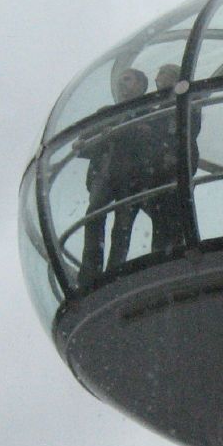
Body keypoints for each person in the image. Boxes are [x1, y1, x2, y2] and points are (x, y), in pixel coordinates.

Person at [76, 66, 149, 284]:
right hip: (105, 175)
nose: (122, 84)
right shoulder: (106, 111)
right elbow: (85, 141)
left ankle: (114, 272)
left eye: (127, 79)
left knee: (122, 226)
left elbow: (148, 138)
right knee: (94, 217)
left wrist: (115, 130)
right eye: (121, 80)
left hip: (131, 177)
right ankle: (91, 272)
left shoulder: (146, 110)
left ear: (140, 85)